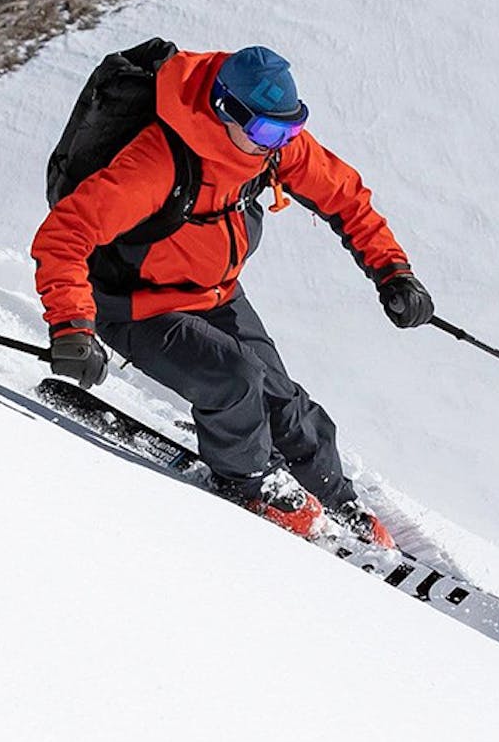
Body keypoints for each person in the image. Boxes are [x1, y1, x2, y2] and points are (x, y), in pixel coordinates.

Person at [31, 45, 434, 546]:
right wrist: (72, 325)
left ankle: (333, 498)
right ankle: (251, 485)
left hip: (215, 292)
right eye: (268, 132)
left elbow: (343, 194)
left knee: (284, 401)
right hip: (135, 304)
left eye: (290, 129)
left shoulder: (272, 145)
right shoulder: (158, 160)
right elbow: (64, 234)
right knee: (236, 381)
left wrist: (393, 271)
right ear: (225, 111)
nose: (279, 144)